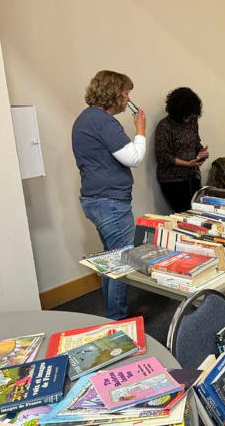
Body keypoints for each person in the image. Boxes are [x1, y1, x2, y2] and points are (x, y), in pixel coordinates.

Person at [72, 70, 146, 320]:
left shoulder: (85, 119)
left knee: (110, 259)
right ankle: (118, 319)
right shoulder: (103, 122)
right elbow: (133, 158)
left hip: (96, 200)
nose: (128, 99)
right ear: (114, 94)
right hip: (110, 203)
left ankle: (114, 313)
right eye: (126, 94)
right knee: (123, 261)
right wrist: (140, 129)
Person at [155, 87, 209, 212]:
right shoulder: (164, 126)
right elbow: (163, 156)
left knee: (198, 212)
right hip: (173, 181)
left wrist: (201, 153)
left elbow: (195, 142)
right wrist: (187, 164)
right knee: (184, 213)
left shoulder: (192, 121)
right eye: (186, 114)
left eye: (191, 114)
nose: (188, 118)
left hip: (192, 176)